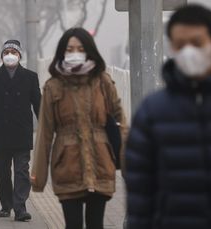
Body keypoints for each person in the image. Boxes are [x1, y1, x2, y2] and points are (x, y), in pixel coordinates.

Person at [125, 4, 211, 229]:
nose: (189, 51)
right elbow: (140, 195)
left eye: (196, 43)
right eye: (180, 45)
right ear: (172, 49)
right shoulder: (152, 113)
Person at [30, 28, 128, 229]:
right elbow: (45, 134)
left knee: (96, 224)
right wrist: (39, 177)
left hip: (101, 161)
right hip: (67, 165)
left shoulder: (103, 81)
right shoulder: (53, 86)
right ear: (62, 52)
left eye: (80, 48)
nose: (75, 52)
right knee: (72, 224)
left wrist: (129, 164)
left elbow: (121, 123)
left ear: (89, 50)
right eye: (70, 48)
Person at [0, 40, 41, 221]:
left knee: (22, 171)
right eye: (6, 52)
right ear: (2, 56)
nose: (10, 55)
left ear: (19, 55)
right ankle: (6, 205)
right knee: (2, 173)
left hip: (22, 132)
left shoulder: (30, 77)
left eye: (13, 52)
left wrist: (46, 127)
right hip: (0, 134)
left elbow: (39, 104)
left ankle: (20, 208)